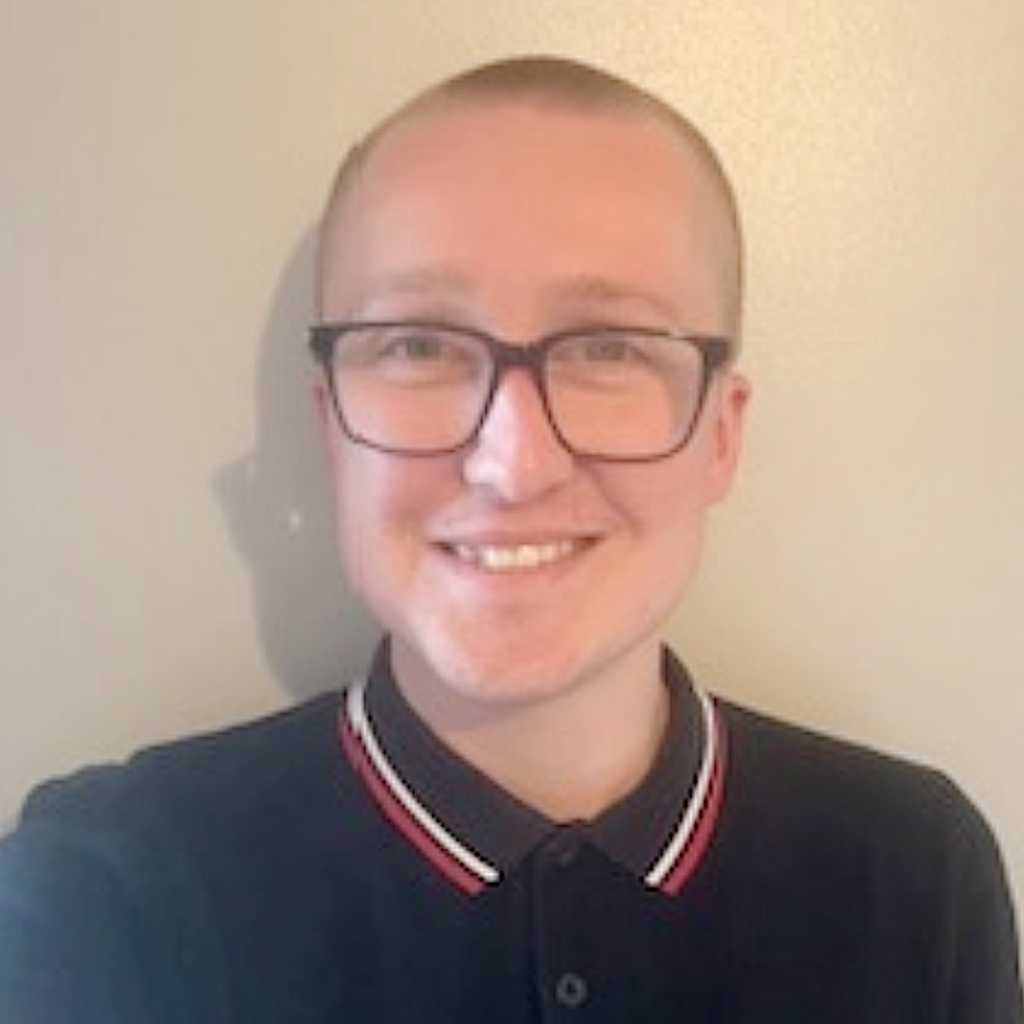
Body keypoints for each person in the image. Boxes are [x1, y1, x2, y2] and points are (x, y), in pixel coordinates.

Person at [0, 55, 1020, 1024]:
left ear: (721, 434)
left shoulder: (916, 873)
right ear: (329, 425)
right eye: (419, 345)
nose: (513, 461)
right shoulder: (116, 885)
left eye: (609, 348)